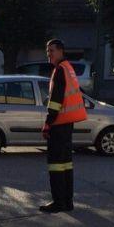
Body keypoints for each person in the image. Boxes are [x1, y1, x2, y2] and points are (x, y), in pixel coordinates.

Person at [40, 38, 87, 213]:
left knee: (56, 165)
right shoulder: (68, 68)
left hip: (59, 125)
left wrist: (47, 124)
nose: (49, 54)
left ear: (61, 51)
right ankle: (67, 201)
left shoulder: (60, 70)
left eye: (51, 50)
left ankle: (58, 202)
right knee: (66, 164)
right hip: (67, 124)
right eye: (47, 51)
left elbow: (56, 102)